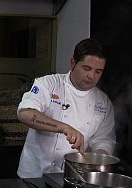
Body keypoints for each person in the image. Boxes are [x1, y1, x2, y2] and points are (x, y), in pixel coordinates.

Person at [16, 38, 116, 178]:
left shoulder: (103, 102)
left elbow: (104, 140)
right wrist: (64, 127)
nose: (91, 76)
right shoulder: (49, 83)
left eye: (98, 71)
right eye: (86, 68)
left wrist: (98, 159)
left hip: (71, 177)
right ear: (73, 63)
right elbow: (25, 114)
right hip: (34, 173)